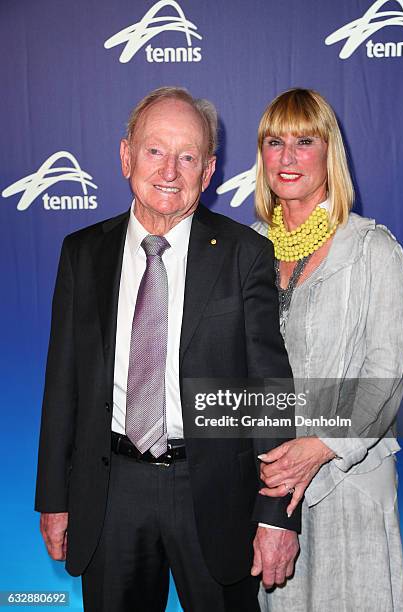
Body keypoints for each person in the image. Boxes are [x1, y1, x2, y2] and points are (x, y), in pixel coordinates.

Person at [35, 87, 302, 612]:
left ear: (208, 172)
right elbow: (61, 386)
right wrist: (54, 499)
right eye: (156, 150)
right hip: (110, 494)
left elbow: (267, 392)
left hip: (215, 496)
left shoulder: (246, 254)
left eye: (187, 157)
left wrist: (276, 515)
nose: (169, 171)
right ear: (126, 155)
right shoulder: (82, 253)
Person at [252, 88, 403, 611]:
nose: (288, 157)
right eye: (275, 142)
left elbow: (385, 375)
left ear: (330, 152)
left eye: (305, 141)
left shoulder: (374, 249)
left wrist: (320, 445)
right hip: (270, 488)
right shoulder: (245, 249)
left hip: (349, 480)